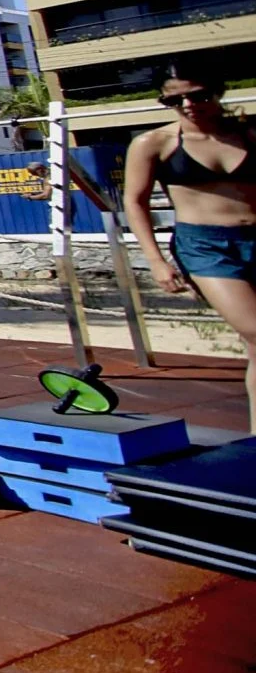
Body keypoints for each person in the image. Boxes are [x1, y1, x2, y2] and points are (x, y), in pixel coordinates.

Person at [123, 60, 256, 431]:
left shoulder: (247, 133)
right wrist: (156, 261)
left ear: (216, 92)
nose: (187, 106)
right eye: (174, 100)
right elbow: (135, 201)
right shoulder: (154, 144)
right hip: (205, 247)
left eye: (197, 96)